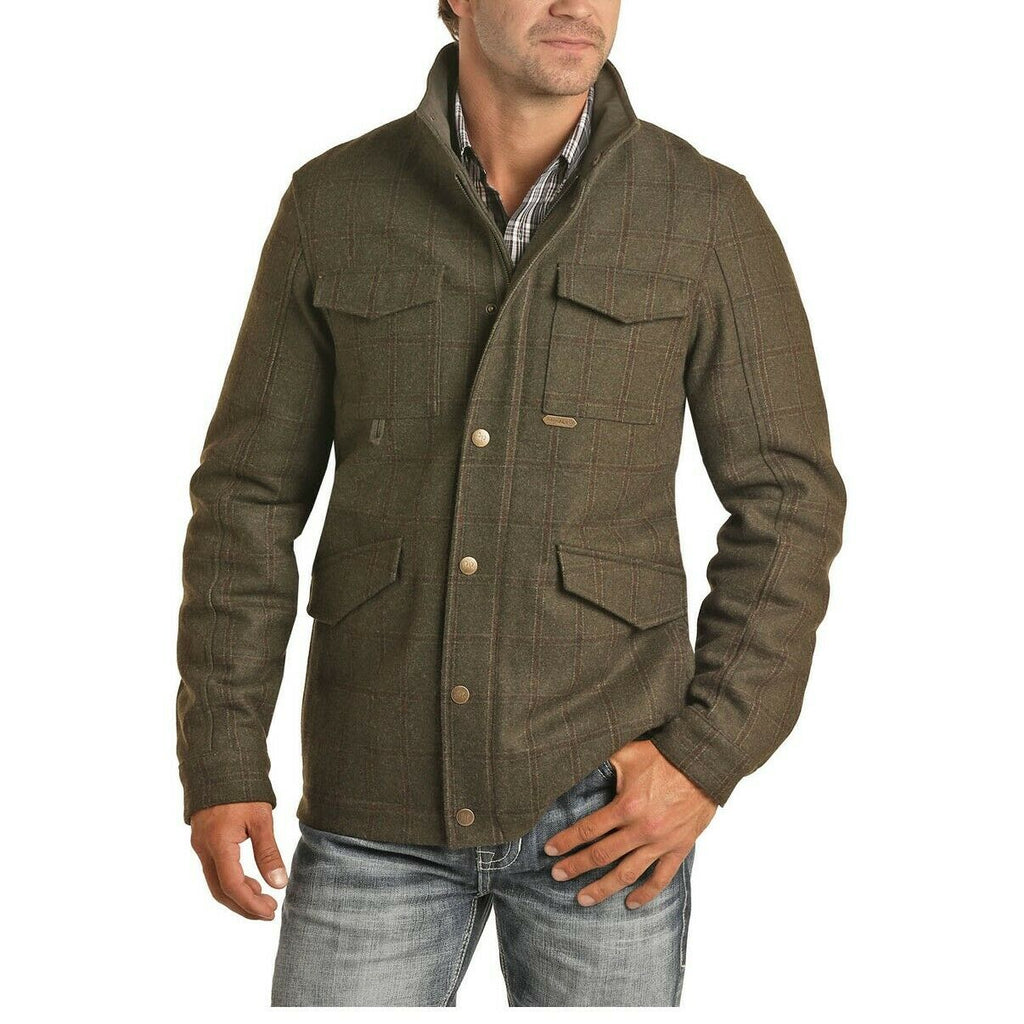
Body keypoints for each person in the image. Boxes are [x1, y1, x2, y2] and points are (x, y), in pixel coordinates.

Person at [176, 0, 846, 1007]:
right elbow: (247, 498)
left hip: (609, 813)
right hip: (372, 807)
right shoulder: (335, 203)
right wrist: (223, 754)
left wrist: (705, 758)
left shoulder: (703, 211)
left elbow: (789, 501)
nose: (577, 4)